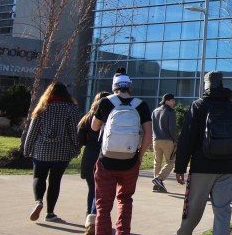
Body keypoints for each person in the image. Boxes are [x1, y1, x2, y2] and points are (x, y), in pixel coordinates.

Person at [175, 71, 232, 235]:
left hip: (202, 166)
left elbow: (187, 138)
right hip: (228, 167)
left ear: (206, 85)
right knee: (223, 211)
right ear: (221, 83)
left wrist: (180, 167)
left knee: (193, 209)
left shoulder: (198, 105)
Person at [91, 67, 152, 235]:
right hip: (130, 161)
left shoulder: (105, 102)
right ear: (129, 87)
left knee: (103, 205)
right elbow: (148, 133)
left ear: (114, 86)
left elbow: (94, 127)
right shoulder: (141, 105)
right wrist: (139, 157)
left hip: (106, 161)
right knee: (125, 200)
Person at [24, 82, 81, 223]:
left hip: (41, 150)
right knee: (55, 181)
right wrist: (76, 147)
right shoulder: (71, 109)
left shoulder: (42, 108)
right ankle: (50, 213)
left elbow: (32, 131)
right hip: (61, 151)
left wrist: (27, 149)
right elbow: (74, 132)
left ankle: (38, 201)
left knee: (38, 177)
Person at [77, 91, 110, 234]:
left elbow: (80, 140)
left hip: (89, 155)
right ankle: (95, 221)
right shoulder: (109, 117)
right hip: (104, 155)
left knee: (92, 189)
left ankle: (89, 218)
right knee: (101, 191)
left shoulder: (86, 119)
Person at [151, 93, 178, 193]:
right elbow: (172, 128)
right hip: (167, 140)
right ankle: (159, 179)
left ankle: (156, 184)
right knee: (171, 161)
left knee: (157, 162)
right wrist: (175, 139)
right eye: (172, 100)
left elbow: (152, 126)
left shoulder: (155, 111)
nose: (174, 102)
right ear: (167, 100)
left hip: (156, 139)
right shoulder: (170, 112)